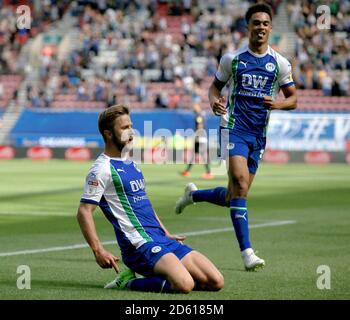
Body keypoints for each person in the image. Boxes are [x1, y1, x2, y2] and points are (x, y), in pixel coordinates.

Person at [175, 3, 297, 271]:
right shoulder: (233, 59)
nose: (261, 27)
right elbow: (214, 89)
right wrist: (214, 102)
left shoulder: (280, 63)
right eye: (256, 23)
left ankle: (193, 195)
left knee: (234, 195)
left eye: (265, 23)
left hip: (258, 136)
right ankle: (247, 253)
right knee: (240, 184)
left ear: (270, 28)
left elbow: (294, 98)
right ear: (248, 27)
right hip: (233, 128)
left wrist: (278, 104)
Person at [77, 104, 224, 293]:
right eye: (124, 128)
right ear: (108, 134)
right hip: (139, 245)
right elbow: (84, 211)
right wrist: (98, 250)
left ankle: (160, 271)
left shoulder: (130, 162)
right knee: (184, 285)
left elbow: (144, 203)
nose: (131, 132)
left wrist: (165, 232)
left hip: (160, 238)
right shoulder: (101, 169)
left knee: (216, 282)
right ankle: (127, 282)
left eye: (131, 126)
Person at [181, 115, 214, 180]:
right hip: (199, 142)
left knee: (203, 158)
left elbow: (200, 128)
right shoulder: (198, 123)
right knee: (194, 157)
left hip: (201, 143)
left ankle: (209, 173)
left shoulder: (200, 123)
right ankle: (187, 171)